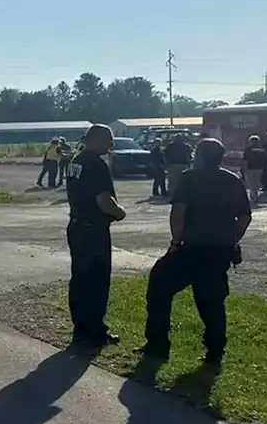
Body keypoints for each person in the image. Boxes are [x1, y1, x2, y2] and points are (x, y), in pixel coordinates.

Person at [139, 138, 251, 364]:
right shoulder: (233, 180)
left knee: (159, 286)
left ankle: (158, 345)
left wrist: (175, 242)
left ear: (199, 157)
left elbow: (178, 212)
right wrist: (232, 238)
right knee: (212, 301)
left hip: (191, 249)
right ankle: (215, 351)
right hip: (219, 251)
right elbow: (245, 217)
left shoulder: (189, 178)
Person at [64, 124, 126, 347]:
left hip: (77, 226)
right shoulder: (96, 164)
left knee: (80, 279)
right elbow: (103, 200)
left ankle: (80, 329)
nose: (111, 144)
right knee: (97, 281)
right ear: (97, 139)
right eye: (109, 139)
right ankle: (95, 331)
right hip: (94, 230)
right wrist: (120, 212)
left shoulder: (76, 161)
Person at [163, 133, 194, 198]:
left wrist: (166, 164)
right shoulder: (187, 146)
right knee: (182, 181)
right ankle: (182, 194)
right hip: (183, 165)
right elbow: (190, 156)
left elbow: (165, 155)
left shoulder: (169, 146)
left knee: (172, 180)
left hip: (172, 165)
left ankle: (171, 194)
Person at [241, 135, 266, 204]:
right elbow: (265, 160)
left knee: (250, 184)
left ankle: (254, 197)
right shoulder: (262, 149)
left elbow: (246, 160)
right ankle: (255, 196)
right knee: (256, 183)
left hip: (250, 168)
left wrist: (244, 169)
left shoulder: (248, 150)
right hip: (260, 169)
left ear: (251, 141)